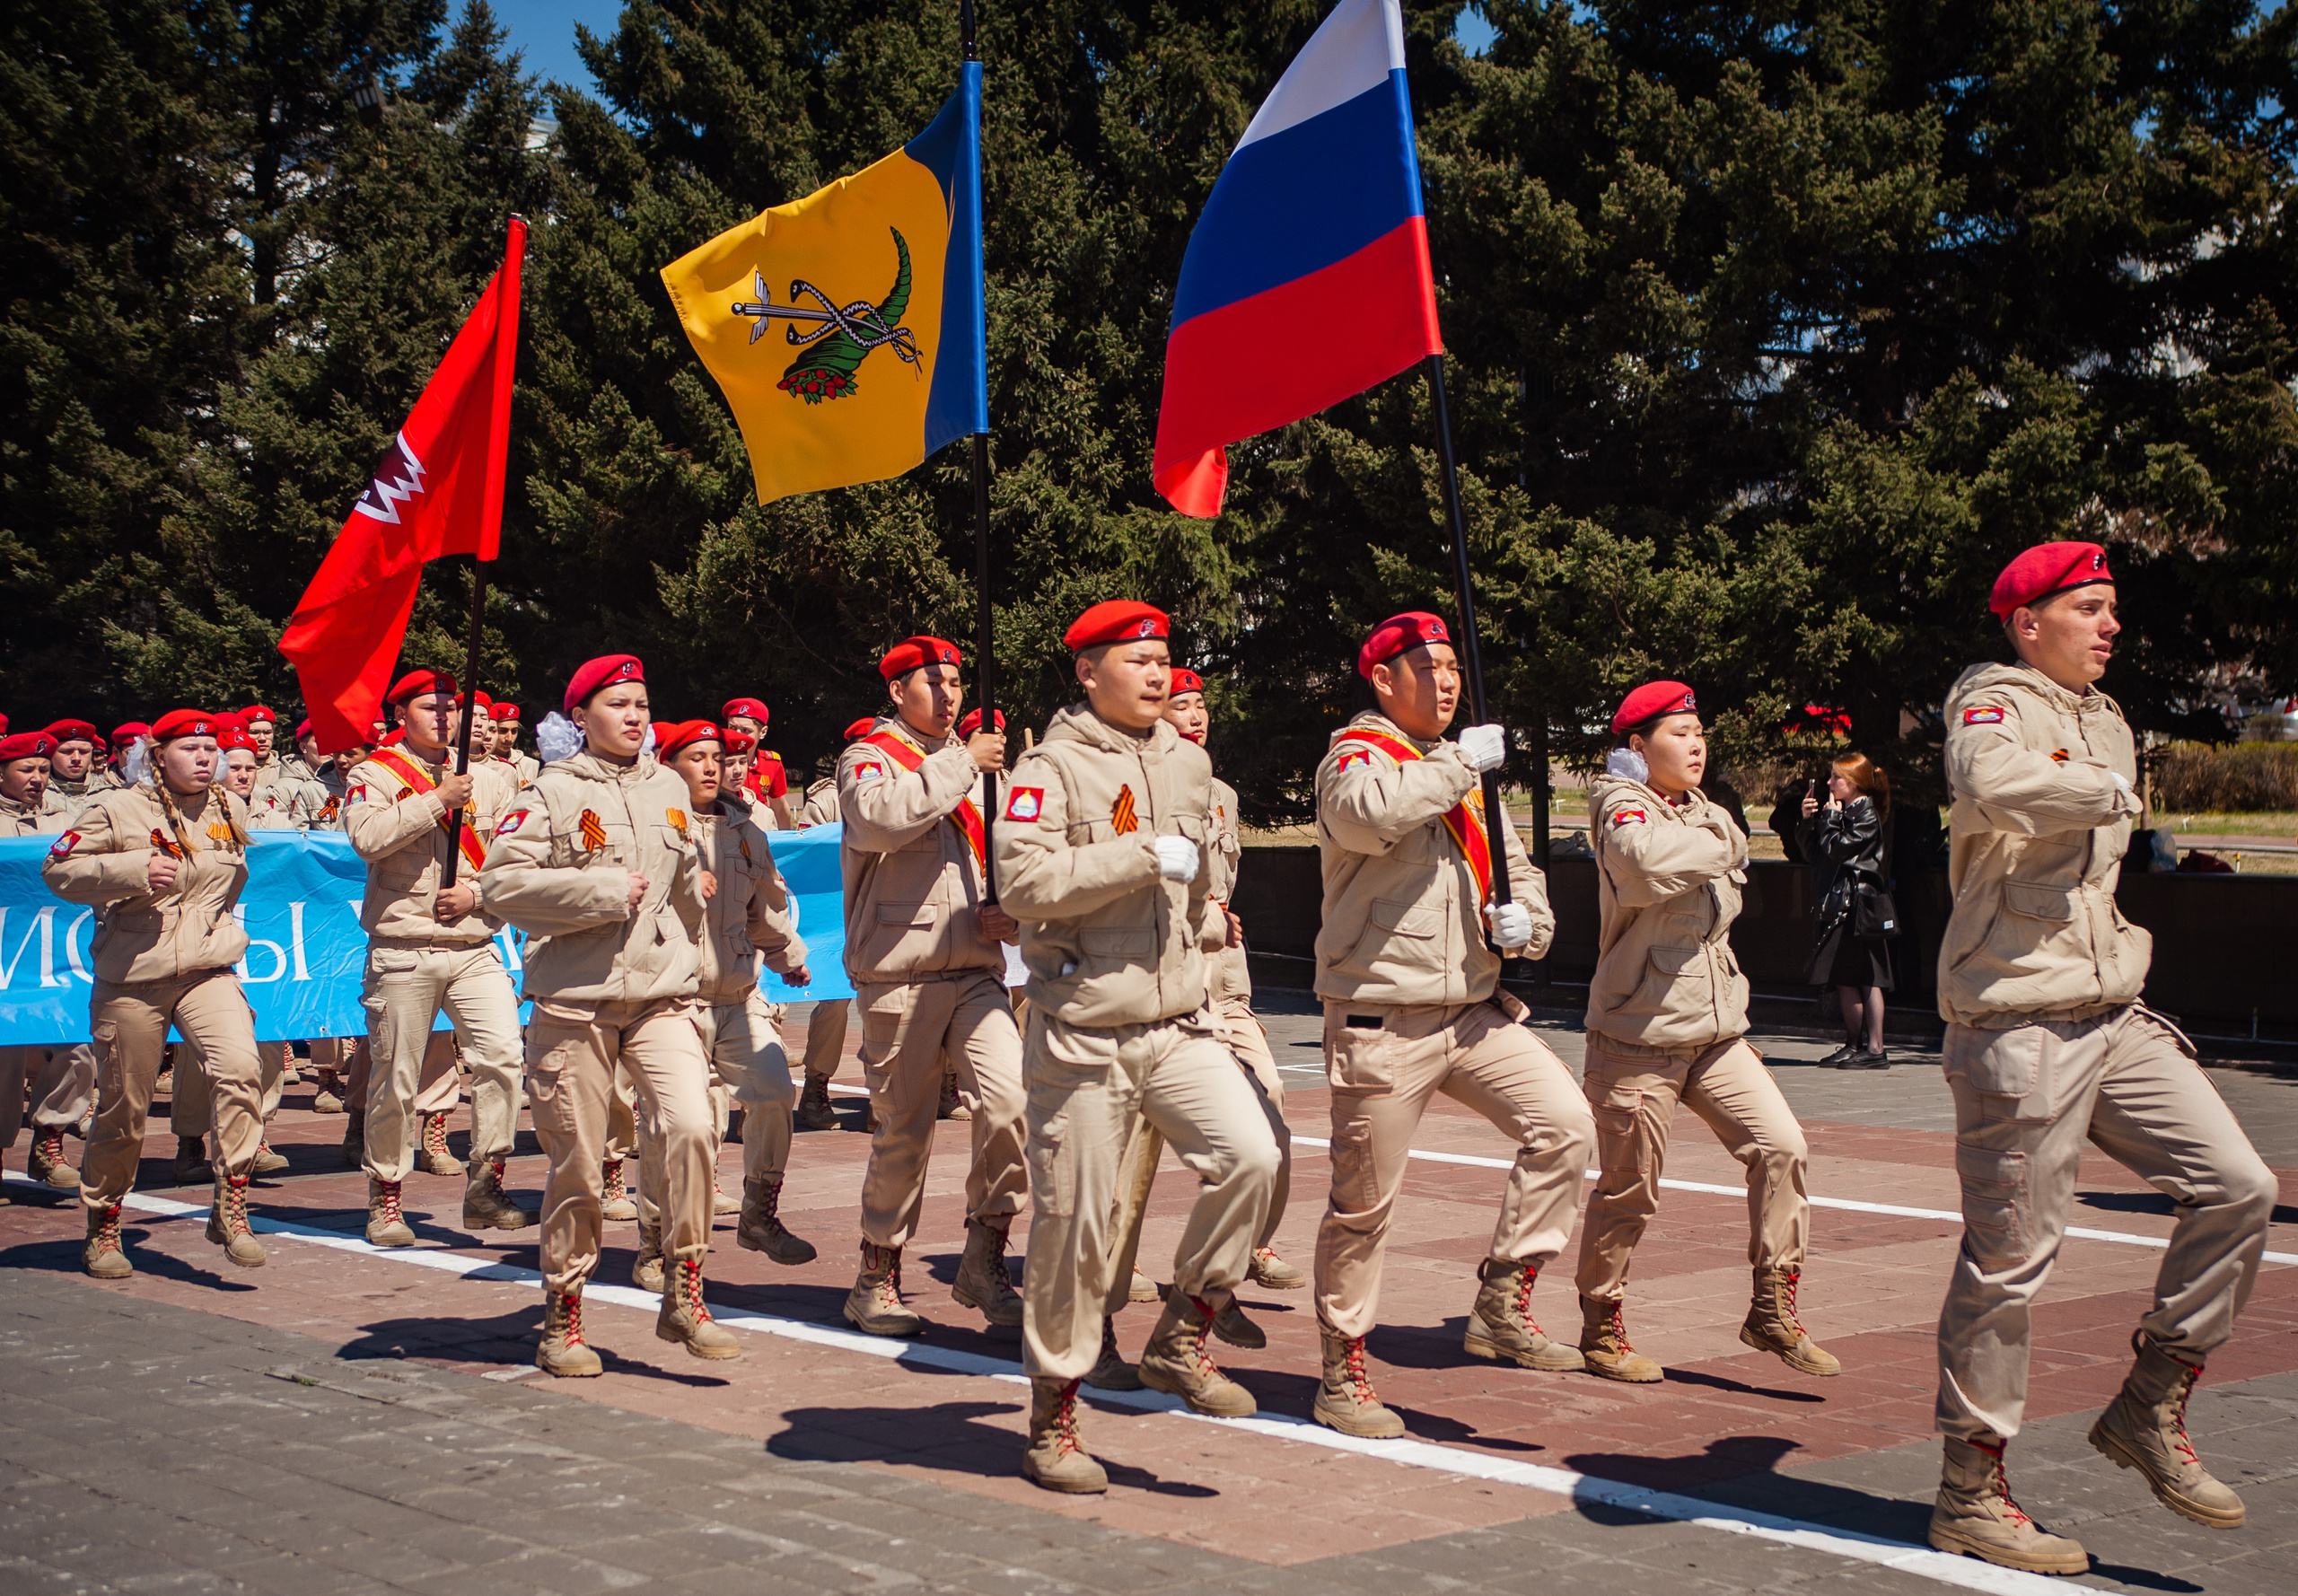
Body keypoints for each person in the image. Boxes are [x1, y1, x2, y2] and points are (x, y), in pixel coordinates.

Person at [1925, 542, 2276, 1574]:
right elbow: (1989, 779)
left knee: (2238, 1185)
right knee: (2010, 1263)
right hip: (2018, 1020)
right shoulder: (1991, 698)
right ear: (2028, 621)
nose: (2110, 624)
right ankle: (1968, 1490)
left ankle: (2149, 1401)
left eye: (2110, 607)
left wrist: (2090, 774)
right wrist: (2101, 789)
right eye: (2087, 607)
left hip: (2110, 1007)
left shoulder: (2106, 717)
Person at [996, 600, 1281, 1494]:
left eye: (1165, 659)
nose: (1159, 675)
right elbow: (1024, 882)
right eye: (1139, 660)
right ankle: (1055, 1416)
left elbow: (1196, 878)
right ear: (1088, 672)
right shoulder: (1048, 768)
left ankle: (1183, 1330)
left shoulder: (1190, 762)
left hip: (1177, 1021)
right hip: (1082, 1032)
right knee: (1077, 1228)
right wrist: (1137, 855)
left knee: (1254, 1155)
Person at [1302, 613, 1592, 1437]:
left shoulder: (1460, 773)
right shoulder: (1357, 758)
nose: (1448, 682)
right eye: (1427, 668)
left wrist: (1525, 926)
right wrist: (1461, 760)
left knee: (1565, 1125)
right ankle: (1343, 1368)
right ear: (1384, 681)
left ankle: (1504, 1294)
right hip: (1382, 1019)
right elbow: (1367, 814)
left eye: (1453, 667)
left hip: (1471, 1011)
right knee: (1364, 1206)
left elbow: (1517, 867)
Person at [1576, 680, 1839, 1385]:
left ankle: (1771, 1307)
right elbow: (1644, 864)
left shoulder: (1698, 812)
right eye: (1678, 732)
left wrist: (1713, 832)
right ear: (1637, 747)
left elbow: (1708, 878)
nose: (1695, 744)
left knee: (1783, 1147)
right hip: (1639, 1036)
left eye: (1699, 731)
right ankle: (1601, 1325)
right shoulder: (1618, 805)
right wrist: (1722, 835)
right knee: (1631, 1190)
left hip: (1717, 1033)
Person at [481, 654, 737, 1373]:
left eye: (641, 703)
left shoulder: (668, 785)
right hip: (576, 1004)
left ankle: (685, 1291)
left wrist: (691, 968)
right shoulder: (548, 792)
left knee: (692, 1126)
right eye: (618, 703)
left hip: (661, 999)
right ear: (581, 717)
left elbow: (686, 892)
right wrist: (599, 891)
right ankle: (564, 1317)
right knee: (580, 1167)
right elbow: (502, 885)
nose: (634, 715)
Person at [834, 637, 1027, 1336]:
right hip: (900, 973)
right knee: (904, 1134)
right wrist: (960, 763)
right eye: (933, 683)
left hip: (976, 969)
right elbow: (879, 821)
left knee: (1012, 1105)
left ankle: (984, 1257)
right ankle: (875, 1276)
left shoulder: (976, 770)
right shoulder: (869, 759)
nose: (950, 695)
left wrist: (1015, 910)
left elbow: (1005, 855)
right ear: (896, 691)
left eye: (955, 683)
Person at [44, 709, 270, 1276]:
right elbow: (58, 869)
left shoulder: (229, 807)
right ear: (157, 755)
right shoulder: (116, 808)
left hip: (208, 968)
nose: (204, 757)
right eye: (190, 748)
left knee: (242, 1069)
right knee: (125, 1108)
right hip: (134, 976)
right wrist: (134, 867)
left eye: (210, 748)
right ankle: (104, 1222)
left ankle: (232, 1202)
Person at [344, 671, 535, 1246]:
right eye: (431, 706)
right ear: (401, 712)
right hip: (404, 947)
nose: (445, 716)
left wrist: (478, 894)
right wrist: (436, 801)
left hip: (475, 947)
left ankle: (486, 1183)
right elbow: (367, 839)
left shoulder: (495, 779)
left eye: (453, 707)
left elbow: (514, 858)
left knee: (503, 1059)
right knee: (396, 1080)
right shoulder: (372, 773)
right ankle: (387, 1196)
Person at [642, 720, 816, 1283]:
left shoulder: (744, 830)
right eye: (696, 757)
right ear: (670, 766)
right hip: (674, 1001)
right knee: (675, 1127)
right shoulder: (651, 825)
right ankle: (653, 1242)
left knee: (772, 1093)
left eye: (717, 756)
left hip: (738, 996)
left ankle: (758, 1214)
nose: (712, 766)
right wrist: (681, 881)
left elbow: (762, 910)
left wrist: (789, 956)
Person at [1157, 670, 1302, 1294]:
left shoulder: (1223, 795)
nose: (1196, 715)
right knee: (1143, 1130)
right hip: (1161, 970)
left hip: (1223, 976)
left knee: (1269, 1100)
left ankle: (1252, 1243)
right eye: (1180, 705)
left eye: (1200, 705)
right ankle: (1119, 1251)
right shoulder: (1140, 787)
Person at [0, 731, 94, 1196]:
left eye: (41, 770)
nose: (37, 778)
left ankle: (49, 1142)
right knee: (5, 1055)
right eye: (25, 770)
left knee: (78, 1045)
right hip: (5, 959)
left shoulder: (68, 818)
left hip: (58, 955)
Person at [794, 717, 877, 1131]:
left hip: (885, 909)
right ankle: (816, 1088)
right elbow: (812, 858)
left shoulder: (901, 789)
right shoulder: (827, 799)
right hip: (837, 917)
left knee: (892, 1004)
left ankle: (885, 1094)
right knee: (834, 1001)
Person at [1800, 754, 1896, 1068]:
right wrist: (1806, 821)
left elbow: (1838, 848)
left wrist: (1828, 820)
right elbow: (1815, 853)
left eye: (1835, 778)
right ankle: (1853, 1045)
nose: (1829, 783)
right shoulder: (1843, 812)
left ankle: (1875, 1047)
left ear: (1852, 783)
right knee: (1844, 976)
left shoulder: (1866, 813)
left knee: (1868, 976)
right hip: (1840, 903)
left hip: (1860, 905)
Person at [722, 697, 794, 828]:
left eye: (746, 730)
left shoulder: (771, 763)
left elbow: (779, 807)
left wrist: (786, 842)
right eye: (732, 728)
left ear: (763, 732)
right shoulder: (716, 761)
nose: (738, 735)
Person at [39, 720, 102, 820]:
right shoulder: (35, 795)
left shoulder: (110, 795)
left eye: (83, 751)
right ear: (50, 753)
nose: (76, 758)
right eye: (67, 751)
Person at [490, 701, 539, 784]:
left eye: (514, 731)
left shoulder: (529, 764)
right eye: (503, 731)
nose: (509, 738)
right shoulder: (483, 763)